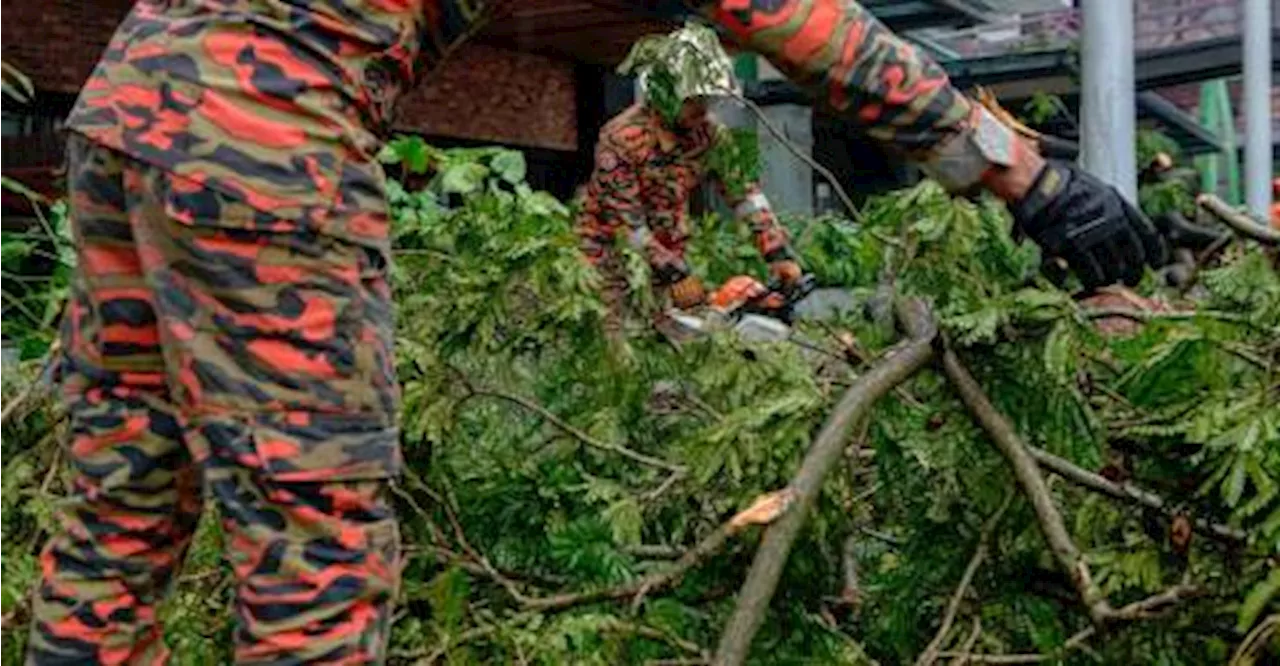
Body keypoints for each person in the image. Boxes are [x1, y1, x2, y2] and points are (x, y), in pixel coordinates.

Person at [28, 0, 1167, 663]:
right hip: (260, 130)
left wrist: (765, 277)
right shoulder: (629, 140)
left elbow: (745, 203)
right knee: (310, 526)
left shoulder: (699, 139)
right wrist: (1023, 177)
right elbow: (794, 22)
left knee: (124, 487)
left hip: (127, 104)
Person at [575, 24, 809, 339]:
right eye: (694, 99)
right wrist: (673, 270)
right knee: (616, 346)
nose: (703, 108)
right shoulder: (622, 138)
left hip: (668, 257)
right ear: (667, 93)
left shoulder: (710, 136)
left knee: (675, 345)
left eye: (709, 99)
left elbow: (745, 195)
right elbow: (624, 222)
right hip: (608, 262)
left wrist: (776, 251)